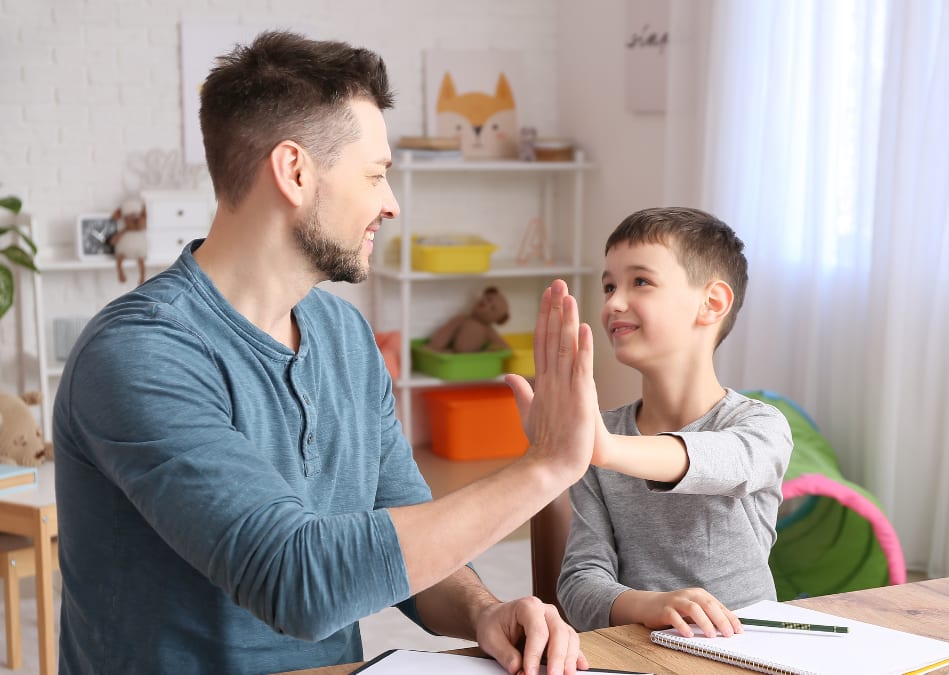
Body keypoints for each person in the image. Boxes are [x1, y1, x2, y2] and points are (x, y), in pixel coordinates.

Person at [53, 31, 597, 675]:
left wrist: (482, 610)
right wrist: (544, 468)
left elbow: (409, 536)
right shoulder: (140, 353)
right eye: (374, 176)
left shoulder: (343, 334)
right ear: (295, 171)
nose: (390, 204)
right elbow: (296, 581)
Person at [554, 207, 793, 635]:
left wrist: (606, 449)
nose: (614, 302)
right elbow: (578, 587)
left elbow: (728, 464)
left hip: (747, 652)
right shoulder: (600, 441)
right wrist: (651, 606)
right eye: (609, 286)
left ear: (711, 303)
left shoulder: (761, 426)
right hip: (635, 651)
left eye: (640, 282)